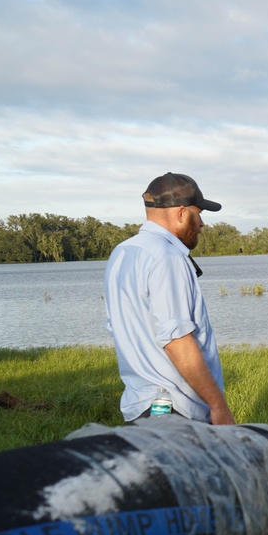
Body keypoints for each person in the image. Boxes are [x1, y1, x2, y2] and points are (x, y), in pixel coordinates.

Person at [104, 172, 235, 425]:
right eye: (198, 215)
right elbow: (176, 339)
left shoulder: (122, 253)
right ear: (182, 213)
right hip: (177, 412)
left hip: (139, 409)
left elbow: (118, 329)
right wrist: (218, 406)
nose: (201, 225)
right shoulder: (167, 257)